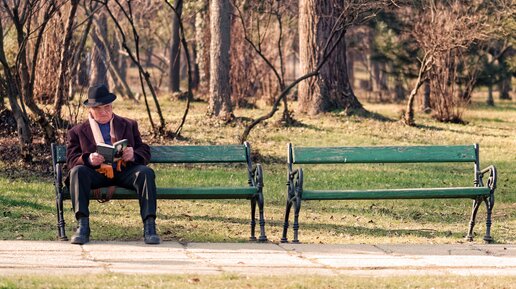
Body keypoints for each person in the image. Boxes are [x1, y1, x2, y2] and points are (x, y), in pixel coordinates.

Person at [66, 84, 160, 245]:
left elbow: (144, 149)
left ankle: (150, 227)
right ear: (90, 110)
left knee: (146, 173)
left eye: (107, 107)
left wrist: (133, 154)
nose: (104, 112)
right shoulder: (77, 131)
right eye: (99, 108)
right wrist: (88, 159)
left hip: (124, 171)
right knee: (77, 172)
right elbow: (71, 159)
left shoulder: (129, 124)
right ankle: (82, 226)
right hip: (96, 174)